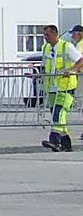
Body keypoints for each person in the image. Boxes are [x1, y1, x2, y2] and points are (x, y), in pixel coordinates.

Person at [40, 24, 78, 152]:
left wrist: (73, 70)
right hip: (51, 88)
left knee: (59, 113)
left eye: (48, 35)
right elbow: (45, 65)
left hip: (66, 87)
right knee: (58, 117)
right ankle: (66, 143)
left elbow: (81, 60)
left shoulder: (66, 47)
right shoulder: (45, 48)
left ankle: (54, 140)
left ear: (55, 34)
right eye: (44, 35)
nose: (45, 38)